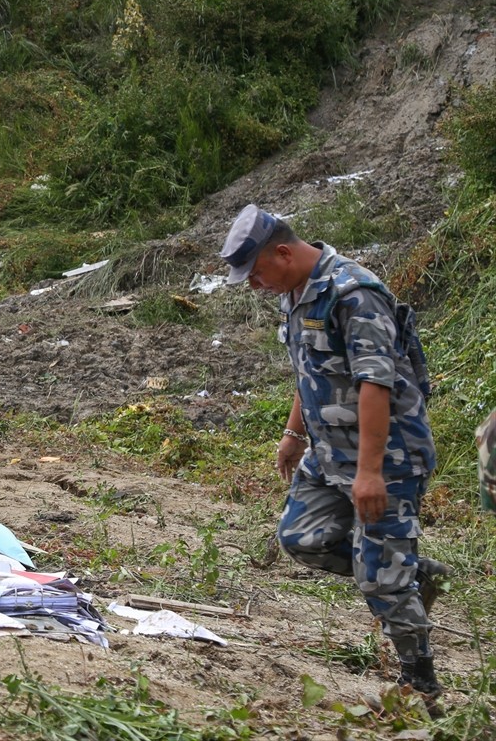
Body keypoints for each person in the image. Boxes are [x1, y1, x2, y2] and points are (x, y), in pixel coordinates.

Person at [219, 204, 448, 698]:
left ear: (282, 252)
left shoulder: (353, 293)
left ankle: (421, 684)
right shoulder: (296, 292)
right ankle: (410, 573)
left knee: (380, 581)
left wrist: (370, 473)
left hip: (387, 457)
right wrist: (293, 433)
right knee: (300, 538)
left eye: (256, 273)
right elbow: (310, 372)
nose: (255, 286)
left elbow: (375, 383)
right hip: (327, 453)